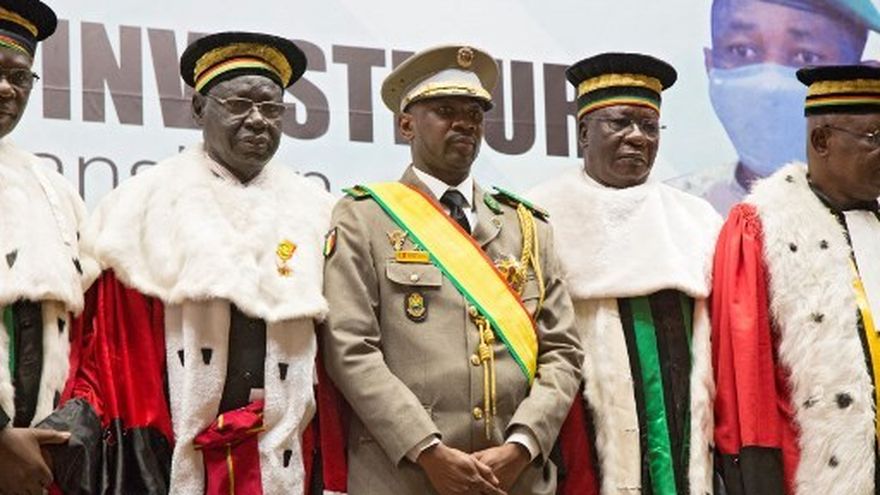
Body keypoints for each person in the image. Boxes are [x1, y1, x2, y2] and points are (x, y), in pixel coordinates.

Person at [48, 32, 334, 494]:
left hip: (287, 448)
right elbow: (110, 353)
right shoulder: (140, 206)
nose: (257, 120)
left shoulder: (319, 211)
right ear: (199, 108)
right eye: (238, 104)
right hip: (171, 450)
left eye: (271, 108)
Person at [318, 44, 583, 495]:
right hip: (405, 477)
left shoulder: (526, 227)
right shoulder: (364, 218)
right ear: (406, 124)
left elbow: (563, 351)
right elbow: (350, 348)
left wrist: (522, 445)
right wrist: (426, 450)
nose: (465, 123)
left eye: (475, 114)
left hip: (514, 478)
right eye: (445, 111)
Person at [529, 53, 721, 495]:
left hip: (685, 439)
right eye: (620, 123)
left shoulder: (697, 220)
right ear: (583, 133)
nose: (637, 137)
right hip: (578, 438)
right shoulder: (537, 217)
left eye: (649, 126)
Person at [712, 64, 880, 493]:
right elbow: (745, 376)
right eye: (875, 138)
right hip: (811, 473)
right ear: (822, 140)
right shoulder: (761, 227)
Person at [0, 1, 93, 493]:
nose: (6, 89)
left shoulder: (53, 189)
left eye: (20, 77)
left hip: (35, 463)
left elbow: (90, 333)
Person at [669, 0, 880, 214]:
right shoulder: (675, 212)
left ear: (862, 78)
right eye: (742, 50)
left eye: (805, 56)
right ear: (710, 64)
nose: (769, 85)